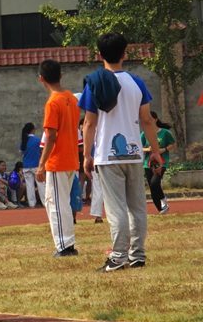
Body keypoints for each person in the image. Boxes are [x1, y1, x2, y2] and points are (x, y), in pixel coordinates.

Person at [79, 32, 162, 272]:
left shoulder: (95, 83)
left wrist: (86, 155)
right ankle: (138, 255)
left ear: (99, 55)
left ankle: (118, 257)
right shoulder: (137, 83)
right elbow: (147, 120)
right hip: (134, 154)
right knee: (137, 206)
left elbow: (89, 123)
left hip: (108, 154)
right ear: (125, 54)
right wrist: (155, 151)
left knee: (116, 209)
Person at [35, 59, 81, 257]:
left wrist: (41, 164)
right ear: (61, 75)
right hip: (71, 158)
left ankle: (64, 245)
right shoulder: (72, 98)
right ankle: (67, 242)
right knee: (63, 203)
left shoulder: (52, 102)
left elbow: (51, 136)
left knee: (55, 204)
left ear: (41, 79)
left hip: (57, 160)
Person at [141, 111, 175, 214]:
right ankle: (161, 210)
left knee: (155, 182)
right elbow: (139, 147)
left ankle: (163, 199)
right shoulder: (144, 134)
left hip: (161, 162)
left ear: (156, 119)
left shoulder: (165, 133)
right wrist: (148, 149)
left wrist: (163, 149)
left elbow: (172, 144)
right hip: (148, 163)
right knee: (152, 187)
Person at [20, 123, 44, 208]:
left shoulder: (24, 140)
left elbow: (22, 152)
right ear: (32, 130)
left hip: (26, 165)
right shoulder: (37, 140)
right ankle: (45, 202)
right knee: (41, 184)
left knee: (29, 185)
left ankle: (31, 203)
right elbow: (42, 151)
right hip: (36, 164)